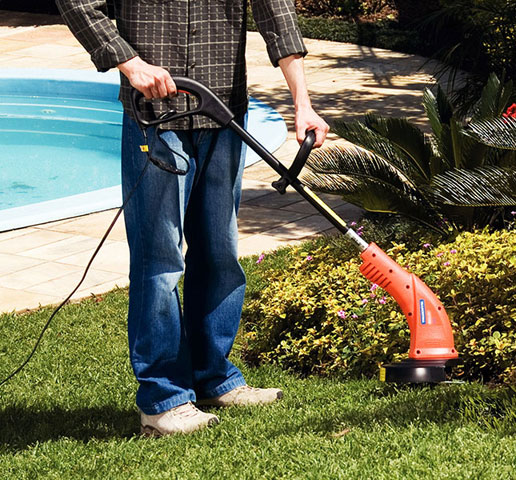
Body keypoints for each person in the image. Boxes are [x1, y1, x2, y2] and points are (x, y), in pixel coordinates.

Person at [55, 0, 329, 437]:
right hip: (155, 117)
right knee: (161, 261)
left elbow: (276, 13)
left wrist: (303, 102)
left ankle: (214, 377)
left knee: (221, 254)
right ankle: (162, 401)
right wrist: (129, 62)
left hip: (222, 111)